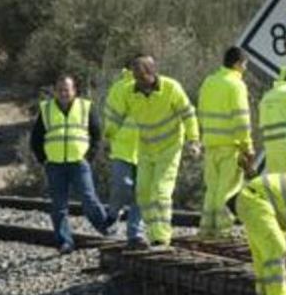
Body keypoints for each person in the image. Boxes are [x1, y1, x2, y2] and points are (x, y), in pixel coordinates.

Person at [104, 55, 200, 248]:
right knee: (143, 193)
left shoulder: (171, 88)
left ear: (152, 73)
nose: (139, 82)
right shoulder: (130, 92)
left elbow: (188, 114)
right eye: (136, 77)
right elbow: (116, 116)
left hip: (170, 147)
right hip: (146, 147)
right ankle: (153, 231)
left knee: (160, 192)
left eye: (142, 77)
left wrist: (193, 140)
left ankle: (161, 238)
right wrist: (109, 136)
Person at [29, 74, 113, 254]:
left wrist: (89, 157)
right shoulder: (46, 109)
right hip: (54, 166)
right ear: (55, 91)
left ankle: (105, 227)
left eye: (67, 89)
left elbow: (97, 135)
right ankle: (64, 242)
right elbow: (35, 139)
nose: (63, 93)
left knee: (89, 198)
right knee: (59, 206)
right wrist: (43, 159)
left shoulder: (85, 107)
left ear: (74, 90)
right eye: (60, 90)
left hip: (79, 163)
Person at [196, 47, 254, 240]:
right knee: (228, 189)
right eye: (245, 65)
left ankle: (206, 228)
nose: (245, 69)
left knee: (212, 188)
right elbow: (241, 119)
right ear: (238, 64)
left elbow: (201, 112)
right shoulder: (236, 85)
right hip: (231, 145)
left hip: (211, 143)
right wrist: (247, 146)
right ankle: (223, 231)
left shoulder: (209, 82)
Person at [103, 64, 145, 248]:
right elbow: (111, 115)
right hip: (122, 148)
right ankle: (113, 212)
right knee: (122, 187)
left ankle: (135, 233)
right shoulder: (119, 88)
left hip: (146, 150)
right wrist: (110, 135)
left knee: (142, 194)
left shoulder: (155, 87)